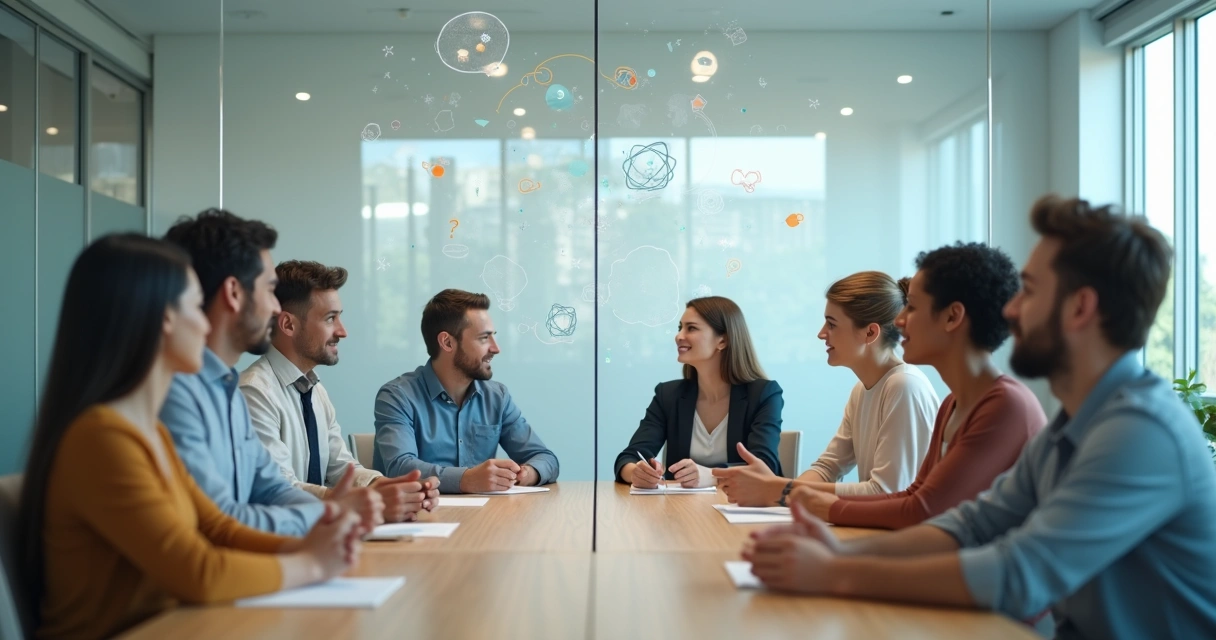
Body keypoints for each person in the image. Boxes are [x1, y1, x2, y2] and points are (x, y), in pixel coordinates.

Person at [742, 196, 1216, 639]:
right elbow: (970, 526)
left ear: (1080, 308)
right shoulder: (1073, 425)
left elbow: (1020, 571)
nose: (1010, 310)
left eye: (1027, 292)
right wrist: (839, 550)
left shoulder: (1140, 431)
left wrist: (834, 570)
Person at [16, 234, 364, 639]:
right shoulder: (101, 439)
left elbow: (217, 527)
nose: (204, 323)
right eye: (193, 305)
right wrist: (312, 564)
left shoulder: (150, 433)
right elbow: (199, 570)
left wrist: (317, 539)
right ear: (163, 317)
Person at [768, 243, 1045, 528]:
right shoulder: (952, 404)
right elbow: (915, 500)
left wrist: (796, 495)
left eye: (912, 307)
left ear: (952, 317)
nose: (899, 321)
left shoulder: (1004, 405)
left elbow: (920, 510)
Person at [161, 209, 383, 534]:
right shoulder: (188, 397)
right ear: (234, 293)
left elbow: (270, 489)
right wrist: (332, 517)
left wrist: (346, 507)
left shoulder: (225, 391)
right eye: (268, 289)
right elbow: (220, 523)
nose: (277, 307)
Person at [240, 260, 440, 522]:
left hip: (319, 534)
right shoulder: (254, 392)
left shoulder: (314, 388)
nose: (342, 331)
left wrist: (388, 487)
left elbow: (342, 469)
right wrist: (359, 502)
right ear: (288, 325)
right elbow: (277, 489)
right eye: (330, 318)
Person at [715, 273, 938, 503]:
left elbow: (886, 492)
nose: (822, 333)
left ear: (870, 333)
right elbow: (827, 468)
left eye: (831, 324)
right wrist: (776, 490)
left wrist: (779, 489)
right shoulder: (862, 391)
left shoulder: (904, 386)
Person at [374, 289, 559, 493]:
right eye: (483, 338)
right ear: (447, 342)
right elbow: (400, 468)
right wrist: (467, 479)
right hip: (420, 516)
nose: (496, 348)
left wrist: (526, 473)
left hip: (483, 518)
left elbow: (546, 459)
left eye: (493, 337)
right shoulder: (397, 396)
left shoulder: (497, 397)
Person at [614, 297, 784, 488]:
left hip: (742, 510)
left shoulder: (763, 394)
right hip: (682, 512)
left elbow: (765, 467)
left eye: (691, 328)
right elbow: (630, 457)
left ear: (723, 340)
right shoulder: (668, 395)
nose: (679, 336)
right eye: (680, 327)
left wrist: (710, 475)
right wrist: (635, 472)